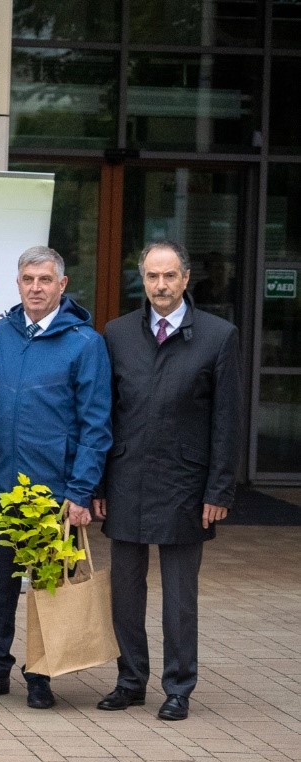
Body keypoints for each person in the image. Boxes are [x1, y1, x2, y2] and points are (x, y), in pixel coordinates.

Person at [92, 240, 243, 722]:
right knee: (125, 592)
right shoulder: (116, 334)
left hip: (185, 485)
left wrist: (219, 490)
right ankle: (130, 681)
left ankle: (179, 686)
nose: (160, 285)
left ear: (186, 278)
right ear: (143, 278)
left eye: (170, 276)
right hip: (126, 479)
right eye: (153, 276)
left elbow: (227, 420)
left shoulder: (219, 336)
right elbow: (102, 414)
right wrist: (96, 485)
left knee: (180, 596)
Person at [0, 245, 111, 709]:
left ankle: (42, 675)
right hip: (1, 486)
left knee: (48, 587)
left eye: (44, 280)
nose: (35, 287)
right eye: (28, 279)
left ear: (62, 285)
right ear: (18, 283)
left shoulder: (85, 344)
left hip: (54, 490)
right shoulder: (0, 336)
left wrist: (81, 490)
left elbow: (96, 424)